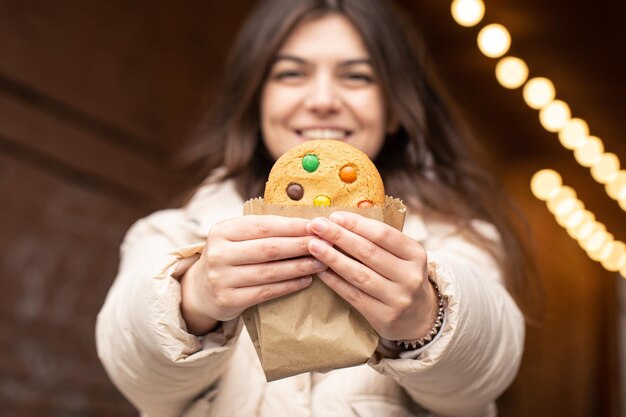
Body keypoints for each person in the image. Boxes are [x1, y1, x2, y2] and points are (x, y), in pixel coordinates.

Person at [96, 0, 538, 416]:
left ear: (394, 110)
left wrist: (427, 314)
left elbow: (486, 374)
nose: (323, 99)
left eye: (357, 77)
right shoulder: (175, 235)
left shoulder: (452, 239)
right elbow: (134, 373)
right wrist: (194, 297)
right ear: (256, 100)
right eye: (291, 74)